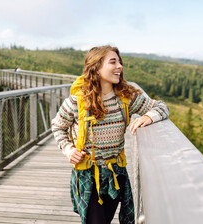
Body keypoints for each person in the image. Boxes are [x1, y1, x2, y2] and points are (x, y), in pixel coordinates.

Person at [51, 45, 169, 224]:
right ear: (96, 69)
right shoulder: (77, 101)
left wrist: (149, 117)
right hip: (88, 176)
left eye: (119, 62)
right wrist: (68, 150)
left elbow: (161, 106)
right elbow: (58, 126)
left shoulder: (125, 98)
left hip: (115, 175)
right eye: (113, 62)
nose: (120, 66)